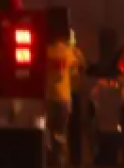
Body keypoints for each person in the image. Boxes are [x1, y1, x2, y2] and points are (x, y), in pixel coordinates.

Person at [46, 29, 82, 167]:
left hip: (47, 97)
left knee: (48, 134)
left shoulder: (45, 50)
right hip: (63, 98)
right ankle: (59, 163)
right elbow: (76, 71)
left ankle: (48, 161)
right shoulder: (69, 52)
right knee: (60, 135)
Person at [67, 29, 87, 166]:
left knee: (74, 129)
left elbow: (82, 69)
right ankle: (74, 160)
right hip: (68, 94)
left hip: (70, 93)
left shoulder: (76, 53)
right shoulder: (75, 54)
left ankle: (75, 160)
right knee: (73, 129)